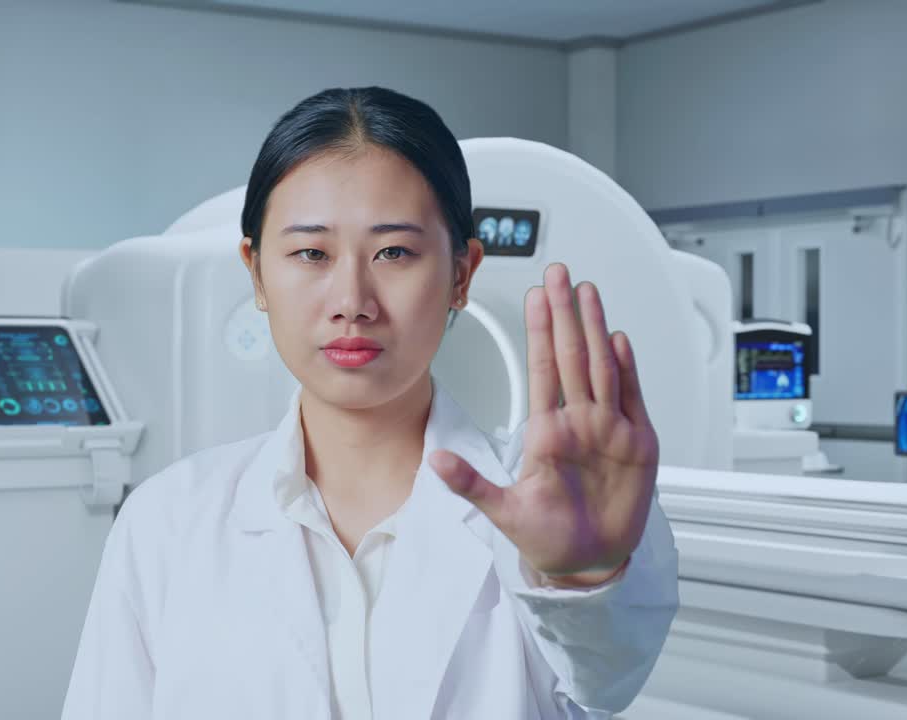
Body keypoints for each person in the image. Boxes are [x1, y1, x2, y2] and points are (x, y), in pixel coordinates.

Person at [61, 86, 679, 720]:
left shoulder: (541, 514)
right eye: (311, 253)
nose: (351, 299)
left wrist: (582, 582)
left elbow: (606, 676)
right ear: (256, 273)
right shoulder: (167, 522)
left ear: (461, 275)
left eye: (395, 252)